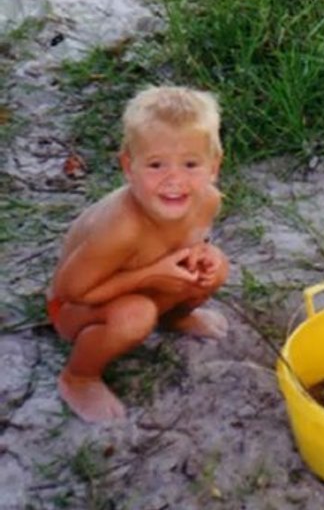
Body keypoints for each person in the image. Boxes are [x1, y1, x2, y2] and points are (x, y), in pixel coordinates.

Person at [47, 86, 230, 422]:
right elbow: (68, 291)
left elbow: (186, 243)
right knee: (136, 314)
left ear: (214, 166)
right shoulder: (121, 227)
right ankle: (79, 376)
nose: (174, 180)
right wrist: (151, 276)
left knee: (214, 267)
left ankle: (173, 318)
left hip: (140, 282)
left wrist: (201, 254)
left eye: (191, 164)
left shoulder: (208, 201)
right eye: (156, 165)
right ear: (128, 167)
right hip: (75, 308)